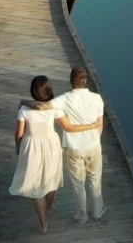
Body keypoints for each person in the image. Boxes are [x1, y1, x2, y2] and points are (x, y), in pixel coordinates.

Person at [10, 75, 102, 233]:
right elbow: (69, 127)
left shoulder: (24, 110)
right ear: (49, 90)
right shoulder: (54, 108)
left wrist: (18, 148)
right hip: (51, 145)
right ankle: (50, 206)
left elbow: (18, 133)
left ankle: (43, 224)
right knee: (52, 177)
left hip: (32, 146)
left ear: (32, 91)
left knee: (35, 186)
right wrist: (93, 125)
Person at [51, 66, 107, 224]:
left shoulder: (62, 100)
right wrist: (94, 137)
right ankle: (97, 211)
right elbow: (100, 124)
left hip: (74, 148)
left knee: (78, 183)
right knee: (95, 179)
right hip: (94, 145)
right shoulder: (96, 98)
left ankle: (81, 215)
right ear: (85, 81)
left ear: (71, 81)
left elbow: (50, 110)